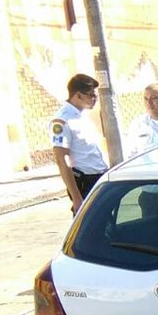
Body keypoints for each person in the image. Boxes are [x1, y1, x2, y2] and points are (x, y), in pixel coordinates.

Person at [51, 73, 109, 214]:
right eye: (91, 95)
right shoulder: (62, 121)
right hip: (84, 181)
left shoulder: (83, 115)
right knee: (89, 224)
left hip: (98, 177)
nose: (94, 99)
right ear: (78, 95)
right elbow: (62, 160)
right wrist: (76, 197)